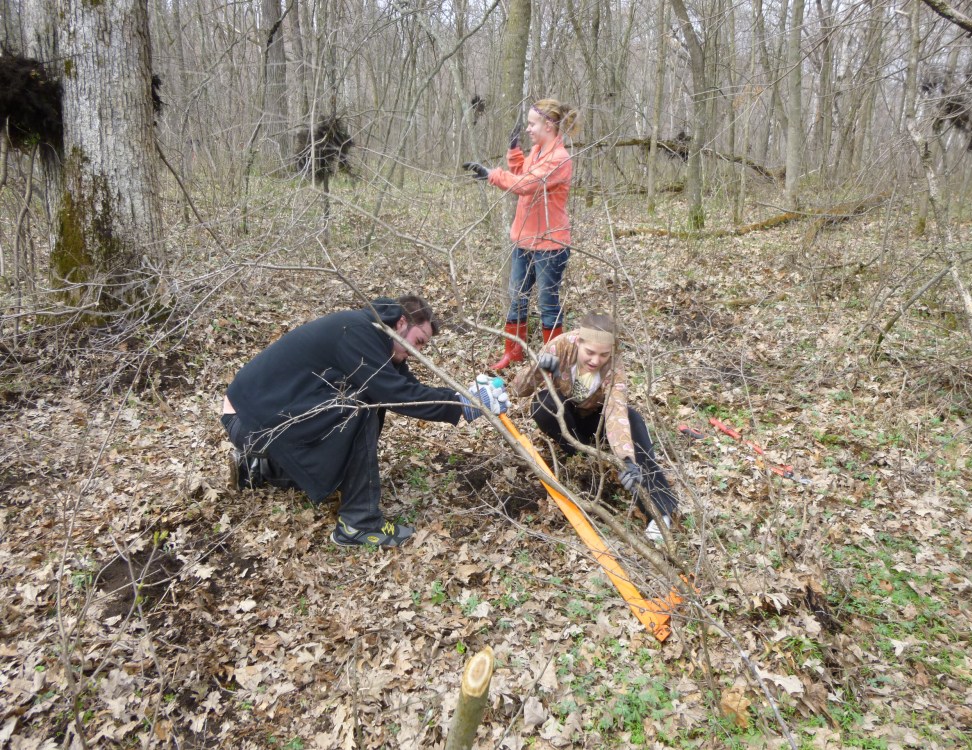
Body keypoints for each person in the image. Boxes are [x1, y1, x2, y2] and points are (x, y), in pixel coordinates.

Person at [221, 295, 508, 548]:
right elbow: (396, 395)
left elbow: (407, 387)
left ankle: (263, 468)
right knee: (361, 404)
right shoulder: (358, 332)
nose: (417, 352)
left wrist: (461, 397)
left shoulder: (376, 337)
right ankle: (358, 524)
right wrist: (461, 406)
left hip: (262, 418)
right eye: (418, 342)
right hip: (248, 423)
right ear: (401, 323)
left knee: (360, 400)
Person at [509, 313, 679, 541]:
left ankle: (660, 512)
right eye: (590, 353)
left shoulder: (613, 367)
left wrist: (627, 459)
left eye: (603, 355)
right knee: (542, 404)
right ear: (579, 341)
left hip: (597, 419)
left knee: (633, 420)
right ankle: (580, 459)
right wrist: (537, 369)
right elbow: (519, 390)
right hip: (566, 415)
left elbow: (615, 411)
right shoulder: (559, 347)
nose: (596, 361)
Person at [462, 97, 579, 370]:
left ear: (549, 125)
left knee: (548, 304)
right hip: (524, 241)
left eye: (531, 124)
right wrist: (514, 152)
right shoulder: (538, 152)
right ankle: (513, 352)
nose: (527, 129)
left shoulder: (559, 159)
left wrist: (492, 174)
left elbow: (526, 185)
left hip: (551, 243)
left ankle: (555, 362)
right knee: (517, 298)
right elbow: (523, 172)